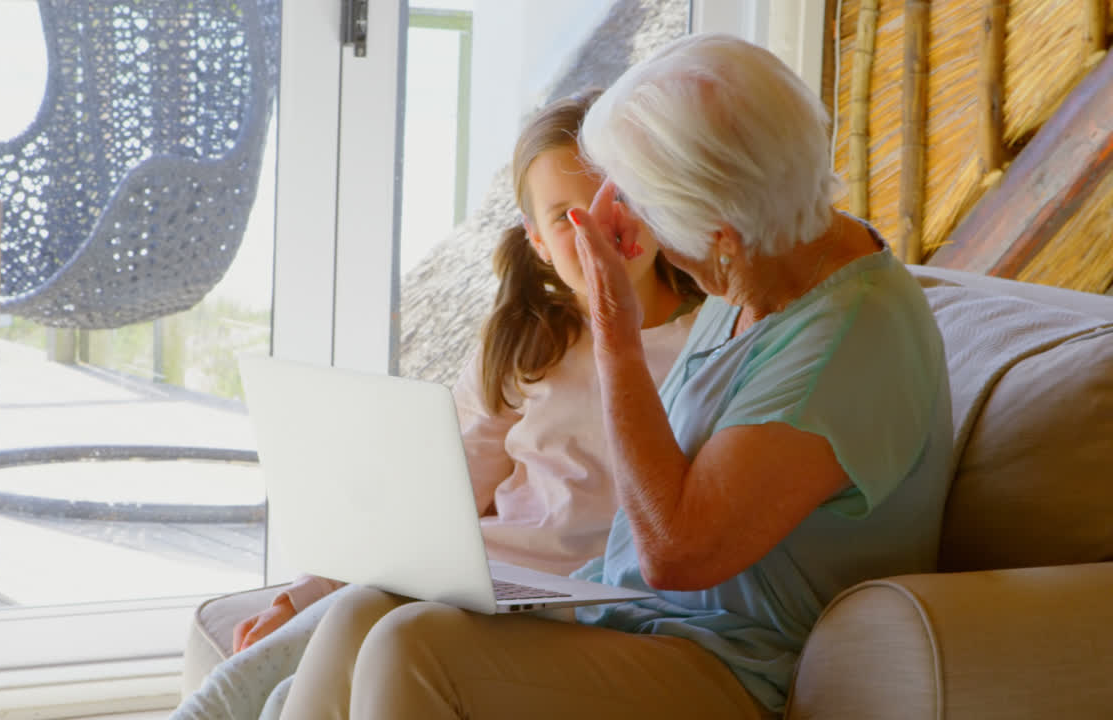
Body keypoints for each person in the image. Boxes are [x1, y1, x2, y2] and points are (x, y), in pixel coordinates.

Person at [275, 33, 956, 720]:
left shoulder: (849, 339)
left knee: (411, 645)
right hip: (627, 622)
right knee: (367, 609)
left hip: (733, 669)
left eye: (647, 209)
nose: (633, 229)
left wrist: (614, 329)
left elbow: (675, 554)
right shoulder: (764, 274)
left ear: (723, 231)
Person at [172, 89, 705, 720]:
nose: (597, 228)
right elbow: (427, 502)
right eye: (565, 217)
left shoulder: (710, 341)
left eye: (616, 197)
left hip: (583, 607)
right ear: (535, 241)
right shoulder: (530, 342)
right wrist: (308, 589)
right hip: (486, 583)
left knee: (329, 666)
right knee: (326, 641)